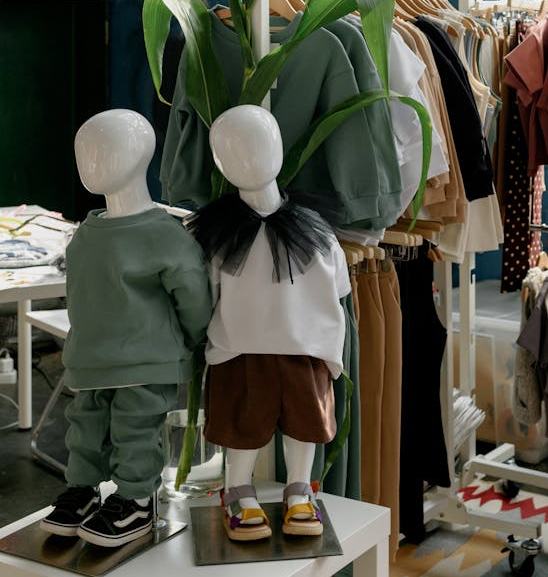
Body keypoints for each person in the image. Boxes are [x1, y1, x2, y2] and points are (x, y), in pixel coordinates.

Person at [41, 110, 212, 547]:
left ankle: (135, 500)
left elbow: (193, 298)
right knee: (86, 427)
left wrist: (190, 340)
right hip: (92, 358)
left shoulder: (166, 234)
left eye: (102, 151)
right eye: (84, 152)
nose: (90, 162)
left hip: (145, 358)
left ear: (139, 156)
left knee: (136, 429)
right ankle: (82, 490)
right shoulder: (87, 232)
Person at [187, 105, 350, 541]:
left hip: (304, 346)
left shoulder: (316, 231)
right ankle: (237, 490)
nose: (248, 157)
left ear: (279, 148)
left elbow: (337, 290)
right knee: (242, 425)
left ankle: (301, 488)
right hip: (242, 348)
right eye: (231, 150)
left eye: (258, 144)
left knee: (305, 421)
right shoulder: (216, 234)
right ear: (219, 161)